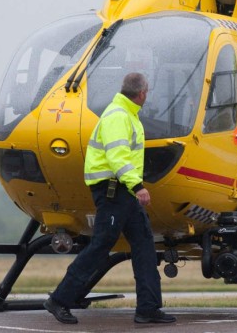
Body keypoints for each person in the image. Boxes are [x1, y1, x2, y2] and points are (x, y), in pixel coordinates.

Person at [44, 73, 176, 325]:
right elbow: (117, 157)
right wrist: (138, 186)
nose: (147, 96)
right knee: (101, 245)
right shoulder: (118, 116)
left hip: (123, 193)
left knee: (145, 245)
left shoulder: (128, 115)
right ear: (142, 94)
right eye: (147, 92)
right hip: (114, 191)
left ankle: (148, 308)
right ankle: (59, 300)